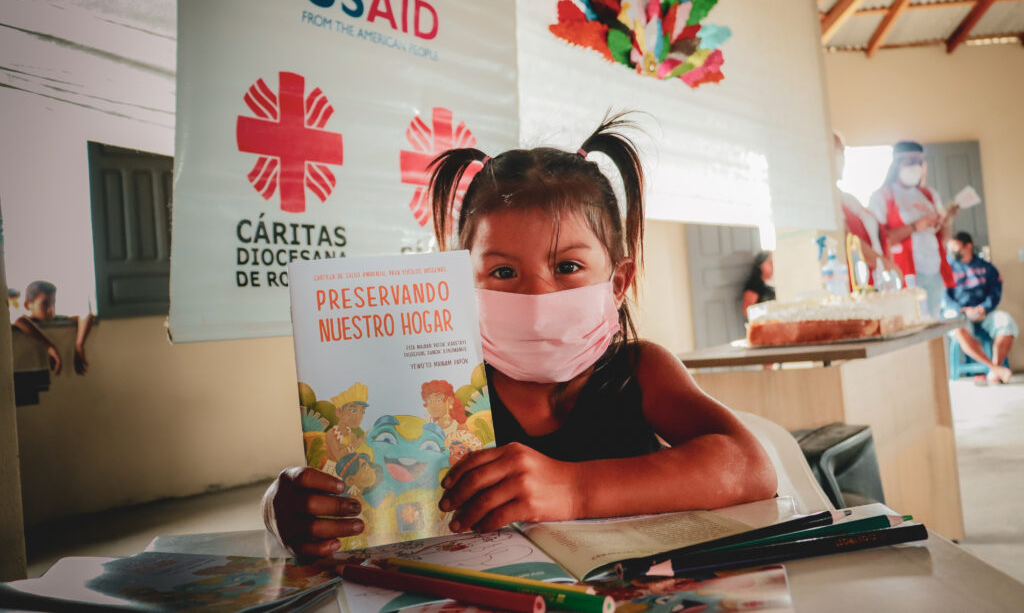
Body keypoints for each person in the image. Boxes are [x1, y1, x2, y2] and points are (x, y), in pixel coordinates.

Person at [262, 114, 777, 556]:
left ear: (618, 282)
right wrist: (279, 510)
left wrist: (574, 490)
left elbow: (751, 467)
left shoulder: (639, 371)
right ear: (461, 284)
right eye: (503, 273)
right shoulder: (438, 387)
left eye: (568, 266)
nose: (536, 299)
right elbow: (349, 488)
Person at [868, 141, 958, 319]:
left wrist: (947, 219)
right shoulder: (882, 196)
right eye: (910, 161)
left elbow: (944, 238)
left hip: (933, 270)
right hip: (905, 273)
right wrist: (917, 226)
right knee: (911, 321)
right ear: (896, 164)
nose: (916, 166)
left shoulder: (929, 195)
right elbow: (879, 242)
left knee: (933, 321)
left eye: (920, 162)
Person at [946, 232, 1016, 384]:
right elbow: (944, 297)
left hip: (984, 313)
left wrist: (983, 308)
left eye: (955, 247)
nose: (952, 251)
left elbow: (995, 293)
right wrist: (962, 310)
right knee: (956, 325)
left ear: (968, 246)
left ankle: (994, 370)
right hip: (961, 314)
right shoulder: (948, 268)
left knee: (1006, 322)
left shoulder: (987, 268)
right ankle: (995, 369)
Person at [832, 133, 898, 287]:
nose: (841, 157)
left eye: (842, 151)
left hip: (876, 279)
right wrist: (889, 268)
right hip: (853, 283)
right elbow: (849, 241)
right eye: (835, 151)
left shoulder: (848, 199)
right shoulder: (824, 201)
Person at [12, 280, 94, 375]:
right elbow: (17, 319)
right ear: (27, 305)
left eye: (53, 303)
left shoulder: (58, 319)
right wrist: (50, 347)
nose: (51, 309)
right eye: (45, 303)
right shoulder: (27, 321)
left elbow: (86, 314)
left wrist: (79, 345)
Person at [741, 251, 775, 317]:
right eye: (769, 261)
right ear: (761, 265)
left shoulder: (773, 283)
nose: (772, 264)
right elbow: (747, 309)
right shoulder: (754, 284)